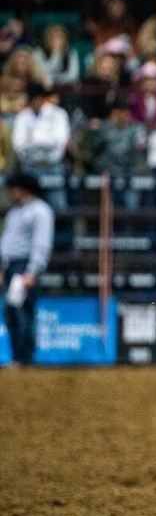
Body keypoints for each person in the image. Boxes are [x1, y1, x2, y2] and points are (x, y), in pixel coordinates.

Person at [1, 171, 55, 365]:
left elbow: (42, 242)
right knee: (11, 312)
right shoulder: (16, 212)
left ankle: (25, 357)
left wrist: (32, 270)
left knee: (21, 311)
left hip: (24, 265)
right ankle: (19, 356)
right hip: (11, 265)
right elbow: (8, 241)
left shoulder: (40, 211)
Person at [11, 81, 70, 211]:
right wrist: (45, 143)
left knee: (58, 208)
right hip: (30, 167)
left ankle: (61, 231)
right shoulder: (23, 116)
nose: (37, 100)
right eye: (33, 97)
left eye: (39, 97)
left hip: (53, 166)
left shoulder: (58, 114)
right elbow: (18, 146)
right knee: (27, 208)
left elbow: (60, 143)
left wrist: (33, 142)